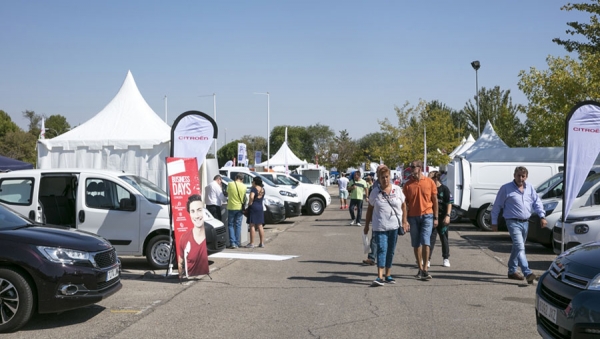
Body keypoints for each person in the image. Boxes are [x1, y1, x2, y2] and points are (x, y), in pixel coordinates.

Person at [491, 166, 546, 284]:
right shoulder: (506, 188)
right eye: (518, 175)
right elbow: (497, 205)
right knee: (520, 247)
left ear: (526, 177)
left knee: (517, 247)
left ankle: (511, 271)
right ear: (514, 175)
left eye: (523, 176)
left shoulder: (530, 188)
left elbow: (537, 202)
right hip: (512, 222)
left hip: (525, 222)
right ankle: (527, 272)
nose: (520, 178)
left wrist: (542, 216)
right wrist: (494, 221)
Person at [363, 165, 409, 286]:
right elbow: (370, 209)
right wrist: (367, 225)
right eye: (382, 177)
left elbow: (404, 206)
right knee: (382, 249)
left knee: (391, 251)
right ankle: (380, 276)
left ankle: (388, 274)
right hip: (380, 226)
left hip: (394, 226)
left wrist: (404, 221)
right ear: (379, 178)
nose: (385, 179)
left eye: (387, 177)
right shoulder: (375, 192)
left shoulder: (397, 189)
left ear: (390, 177)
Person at [402, 160, 438, 281]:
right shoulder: (407, 185)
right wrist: (405, 220)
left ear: (420, 168)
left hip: (427, 215)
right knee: (416, 244)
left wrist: (436, 217)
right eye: (410, 167)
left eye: (413, 167)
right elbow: (404, 204)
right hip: (413, 217)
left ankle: (425, 270)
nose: (411, 169)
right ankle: (420, 267)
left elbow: (435, 200)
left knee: (426, 241)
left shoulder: (429, 182)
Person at [178, 194, 209, 278]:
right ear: (189, 214)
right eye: (192, 211)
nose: (197, 215)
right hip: (190, 279)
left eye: (199, 210)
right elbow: (180, 262)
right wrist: (180, 276)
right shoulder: (184, 238)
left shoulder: (209, 235)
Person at [428, 171, 452, 268]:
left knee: (444, 238)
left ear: (436, 178)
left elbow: (449, 203)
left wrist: (448, 215)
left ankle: (446, 258)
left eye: (430, 178)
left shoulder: (444, 189)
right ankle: (428, 259)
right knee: (431, 239)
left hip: (442, 218)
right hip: (432, 217)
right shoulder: (429, 189)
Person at [226, 173, 246, 249]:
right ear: (242, 179)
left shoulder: (230, 184)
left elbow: (227, 194)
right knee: (238, 225)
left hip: (231, 207)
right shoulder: (244, 186)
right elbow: (244, 197)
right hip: (240, 207)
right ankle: (237, 243)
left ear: (236, 177)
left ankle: (232, 243)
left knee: (230, 225)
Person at [246, 176, 266, 248]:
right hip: (260, 207)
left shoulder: (254, 189)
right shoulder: (262, 189)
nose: (252, 183)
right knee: (260, 225)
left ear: (255, 182)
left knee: (252, 225)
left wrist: (250, 203)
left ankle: (252, 243)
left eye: (252, 181)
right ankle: (262, 242)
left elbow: (251, 197)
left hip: (253, 207)